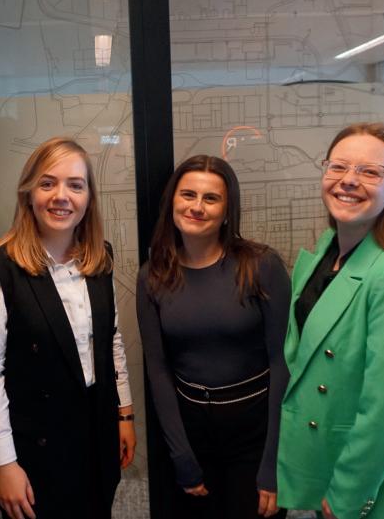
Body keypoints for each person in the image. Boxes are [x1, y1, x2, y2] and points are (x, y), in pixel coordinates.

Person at [277, 122, 384, 518]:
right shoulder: (325, 253)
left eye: (370, 171)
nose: (349, 180)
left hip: (382, 483)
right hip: (332, 462)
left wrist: (347, 494)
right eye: (338, 167)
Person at [0, 137, 135, 519]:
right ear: (28, 193)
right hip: (34, 447)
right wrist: (5, 464)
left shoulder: (100, 257)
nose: (61, 196)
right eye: (47, 183)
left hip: (95, 431)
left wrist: (124, 414)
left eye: (75, 185)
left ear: (89, 197)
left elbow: (111, 340)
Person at [137, 154, 290, 519]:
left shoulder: (261, 265)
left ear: (227, 211)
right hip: (191, 435)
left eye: (211, 198)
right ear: (172, 201)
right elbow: (157, 369)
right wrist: (181, 455)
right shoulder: (153, 275)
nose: (197, 207)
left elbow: (283, 362)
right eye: (188, 195)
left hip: (255, 435)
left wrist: (274, 463)